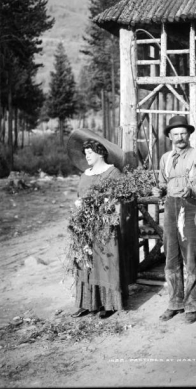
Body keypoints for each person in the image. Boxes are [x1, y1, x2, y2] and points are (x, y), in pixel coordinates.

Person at [152, 115, 196, 324]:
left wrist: (192, 188)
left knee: (191, 256)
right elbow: (161, 183)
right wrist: (158, 189)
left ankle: (191, 305)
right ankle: (175, 303)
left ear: (189, 134)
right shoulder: (165, 158)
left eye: (183, 133)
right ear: (169, 136)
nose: (179, 137)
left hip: (191, 206)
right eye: (175, 134)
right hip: (170, 206)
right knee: (171, 256)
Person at [66, 128, 128, 319]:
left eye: (90, 153)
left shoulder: (113, 173)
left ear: (100, 152)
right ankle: (86, 303)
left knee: (105, 262)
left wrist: (109, 212)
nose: (87, 157)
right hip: (85, 225)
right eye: (85, 154)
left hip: (104, 224)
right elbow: (80, 196)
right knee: (85, 262)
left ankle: (108, 304)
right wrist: (78, 210)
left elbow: (119, 200)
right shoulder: (85, 174)